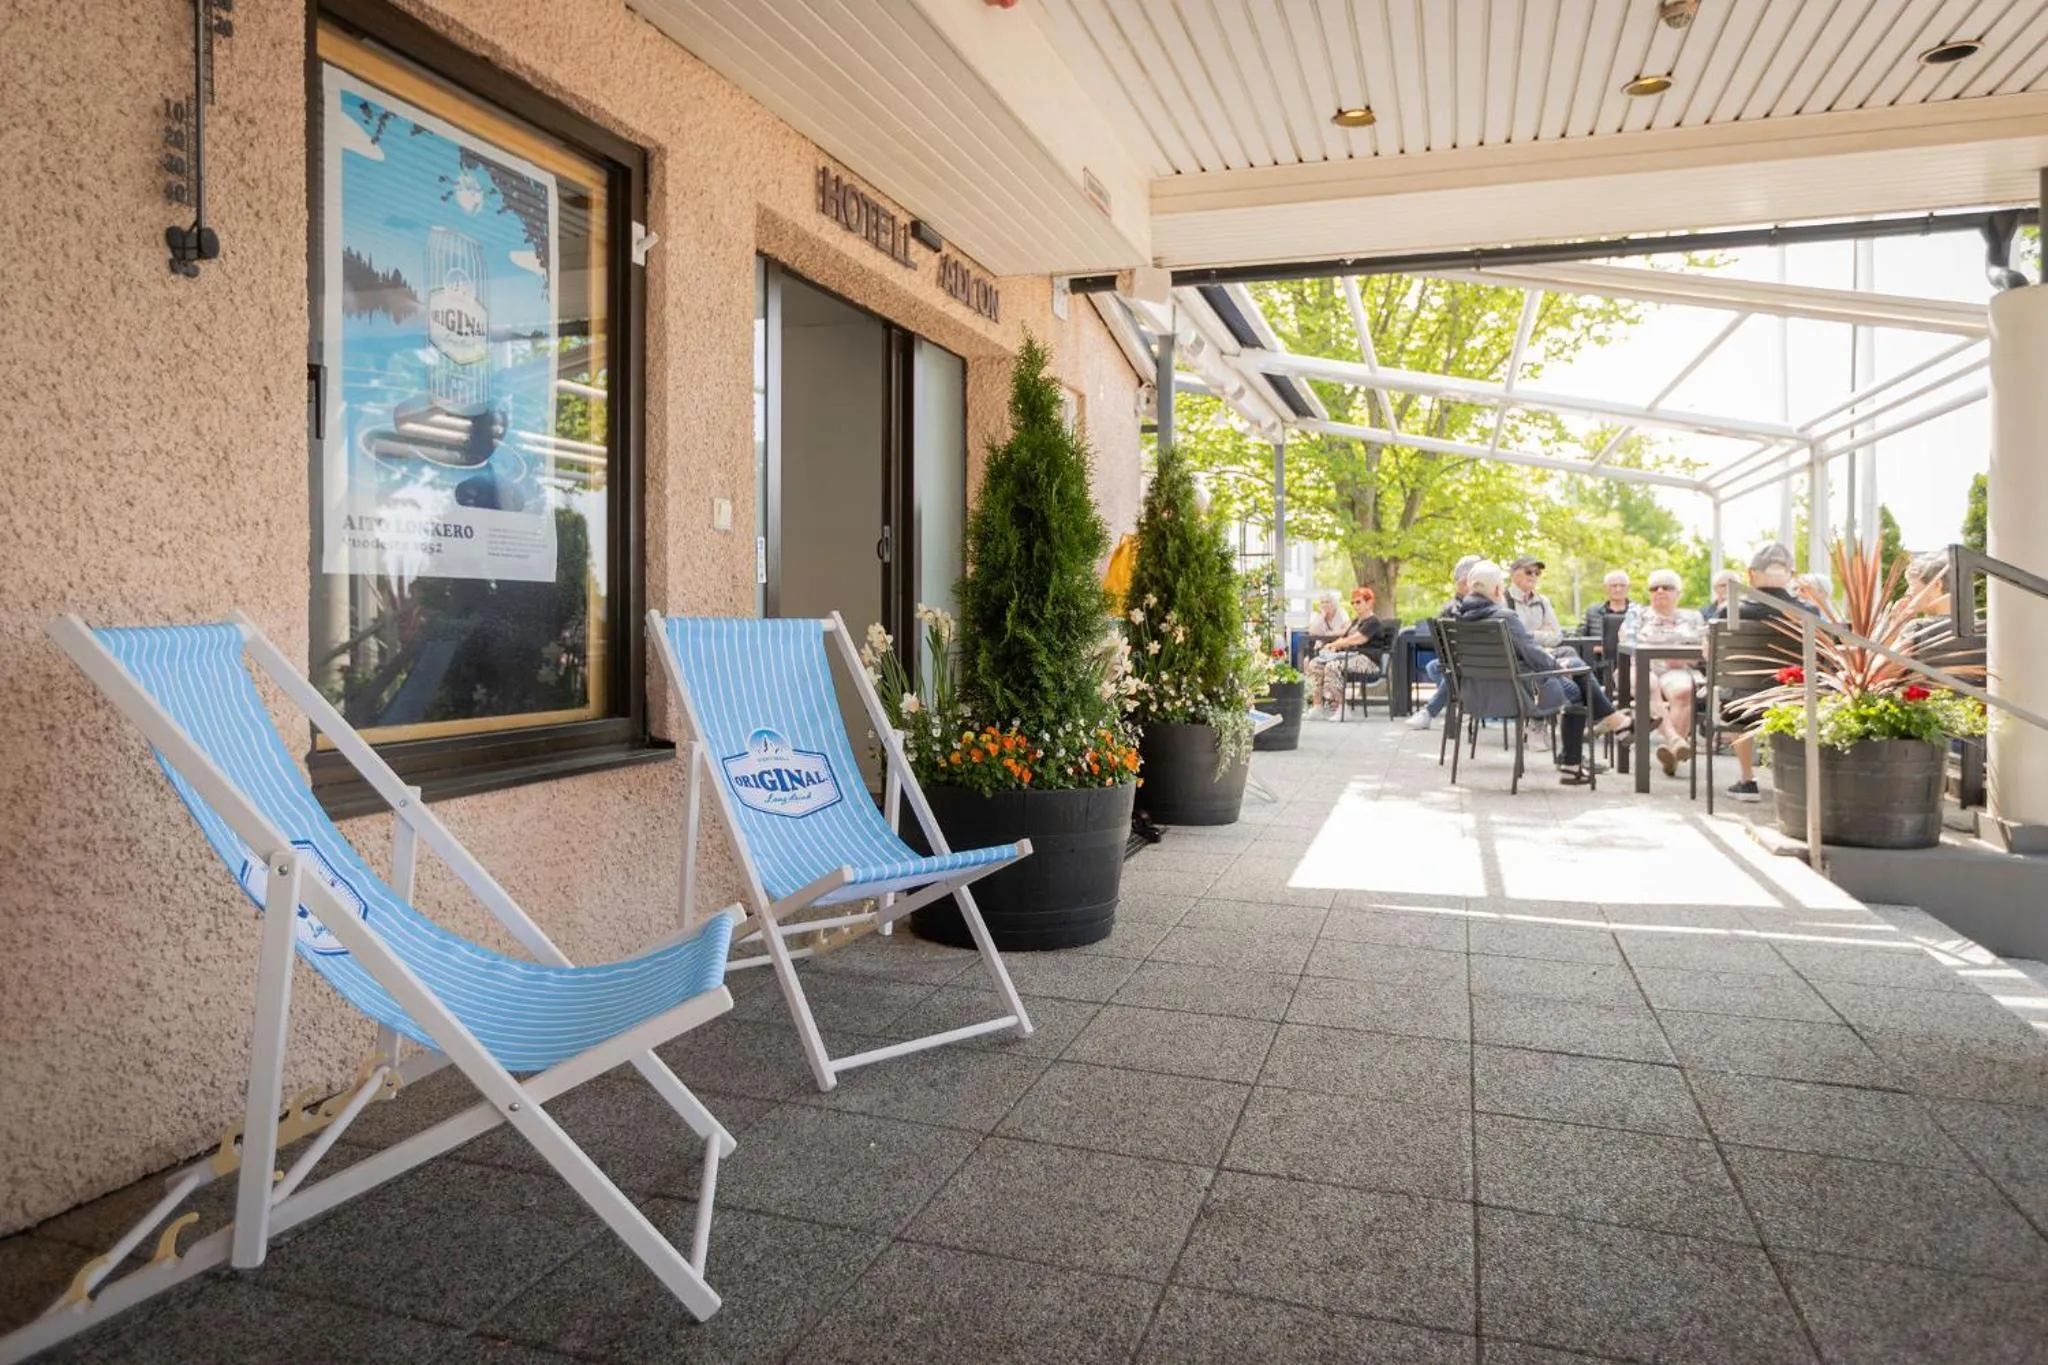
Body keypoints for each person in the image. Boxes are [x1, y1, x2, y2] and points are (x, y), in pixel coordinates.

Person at [1454, 561, 1629, 781]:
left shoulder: (1458, 618)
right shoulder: (1504, 617)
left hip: (1474, 694)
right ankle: (1579, 757)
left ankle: (1615, 726)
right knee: (1577, 682)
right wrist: (1558, 668)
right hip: (1518, 694)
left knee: (1574, 665)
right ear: (1497, 590)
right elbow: (1533, 655)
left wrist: (1556, 664)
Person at [1724, 542, 1802, 803]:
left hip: (1741, 703)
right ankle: (1796, 783)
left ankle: (1748, 780)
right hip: (1793, 699)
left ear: (1750, 574)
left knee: (1733, 694)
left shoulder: (1731, 610)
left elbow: (1710, 654)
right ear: (1790, 575)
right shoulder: (1808, 613)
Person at [1624, 568, 1705, 777]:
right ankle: (1674, 740)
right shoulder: (1637, 614)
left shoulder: (1693, 617)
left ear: (1678, 593)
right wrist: (1676, 646)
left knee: (1684, 692)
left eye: (1667, 587)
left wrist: (1682, 656)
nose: (1660, 591)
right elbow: (1628, 641)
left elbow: (1703, 646)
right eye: (1654, 588)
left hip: (1676, 669)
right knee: (1647, 683)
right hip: (1641, 667)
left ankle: (1672, 755)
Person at [1406, 555, 1480, 731]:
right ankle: (1462, 700)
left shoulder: (1474, 606)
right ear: (1465, 583)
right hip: (1464, 662)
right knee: (1436, 667)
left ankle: (1430, 711)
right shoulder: (1458, 607)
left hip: (1474, 664)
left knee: (1452, 673)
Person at [1308, 587, 1387, 719]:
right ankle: (1317, 706)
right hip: (1350, 657)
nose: (1355, 605)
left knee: (1333, 666)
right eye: (1353, 603)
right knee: (1315, 664)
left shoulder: (1373, 622)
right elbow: (1344, 638)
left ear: (1369, 602)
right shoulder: (1356, 621)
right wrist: (1331, 647)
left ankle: (1341, 709)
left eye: (1358, 602)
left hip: (1368, 661)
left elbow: (1357, 639)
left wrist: (1335, 644)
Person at [1505, 555, 1564, 647]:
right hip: (1516, 655)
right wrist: (1542, 633)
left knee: (1569, 653)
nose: (1533, 576)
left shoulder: (1543, 601)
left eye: (1537, 573)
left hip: (1542, 653)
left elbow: (1557, 636)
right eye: (1528, 572)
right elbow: (1508, 637)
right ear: (1513, 574)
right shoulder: (1503, 600)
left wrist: (1531, 634)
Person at [1581, 570, 1636, 642]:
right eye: (1614, 586)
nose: (1618, 589)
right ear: (1605, 587)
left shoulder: (1638, 612)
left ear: (1628, 587)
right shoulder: (1592, 612)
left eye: (1622, 585)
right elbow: (1579, 639)